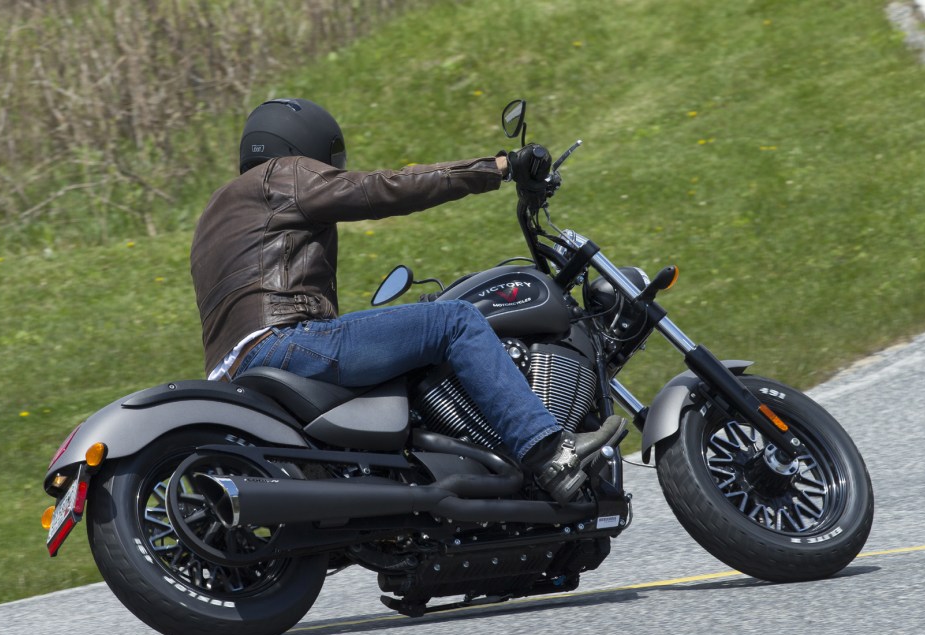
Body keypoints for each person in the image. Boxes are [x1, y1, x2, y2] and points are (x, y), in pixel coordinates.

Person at [190, 98, 624, 503]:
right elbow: (383, 188)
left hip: (235, 367)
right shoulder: (282, 175)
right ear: (302, 145)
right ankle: (550, 453)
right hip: (285, 341)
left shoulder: (214, 213)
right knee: (454, 320)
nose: (330, 170)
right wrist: (500, 167)